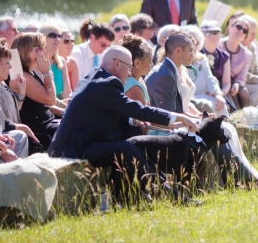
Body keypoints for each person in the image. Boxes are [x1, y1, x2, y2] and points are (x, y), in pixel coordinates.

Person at [48, 46, 200, 203]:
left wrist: (133, 121)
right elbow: (138, 109)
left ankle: (124, 197)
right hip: (74, 149)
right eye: (129, 67)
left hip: (80, 142)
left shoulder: (96, 77)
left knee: (132, 137)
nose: (129, 72)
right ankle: (166, 192)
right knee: (125, 148)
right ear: (117, 64)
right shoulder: (106, 84)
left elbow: (102, 114)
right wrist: (179, 118)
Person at [146, 33, 258, 186]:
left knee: (223, 126)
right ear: (178, 51)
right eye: (190, 51)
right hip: (165, 131)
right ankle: (244, 180)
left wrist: (200, 117)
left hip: (175, 124)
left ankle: (240, 176)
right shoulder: (164, 75)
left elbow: (178, 109)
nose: (193, 55)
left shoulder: (170, 69)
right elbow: (168, 117)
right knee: (216, 130)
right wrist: (201, 122)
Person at [0, 38, 41, 153]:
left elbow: (16, 108)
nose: (10, 67)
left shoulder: (0, 82)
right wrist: (23, 128)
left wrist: (21, 92)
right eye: (7, 63)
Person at [10, 33, 62, 148]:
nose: (43, 52)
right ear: (25, 50)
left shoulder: (31, 70)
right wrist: (47, 72)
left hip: (47, 122)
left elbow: (39, 103)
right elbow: (50, 99)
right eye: (39, 49)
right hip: (39, 129)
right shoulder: (21, 75)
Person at [182, 25, 226, 115]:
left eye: (196, 43)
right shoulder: (179, 59)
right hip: (185, 98)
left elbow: (210, 79)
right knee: (207, 106)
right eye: (190, 42)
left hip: (201, 96)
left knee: (220, 105)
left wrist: (218, 94)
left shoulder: (201, 59)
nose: (193, 46)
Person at [68, 19, 115, 89]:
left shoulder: (105, 55)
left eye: (108, 46)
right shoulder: (77, 54)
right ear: (92, 37)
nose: (105, 48)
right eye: (103, 45)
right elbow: (76, 87)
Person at [219, 17, 253, 109]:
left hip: (234, 85)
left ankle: (248, 116)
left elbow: (242, 76)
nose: (241, 31)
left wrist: (237, 84)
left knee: (242, 91)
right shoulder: (218, 45)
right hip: (218, 81)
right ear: (230, 28)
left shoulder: (247, 55)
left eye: (245, 31)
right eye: (238, 27)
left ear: (244, 37)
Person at [237, 15, 258, 108]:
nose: (254, 38)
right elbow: (241, 74)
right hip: (240, 84)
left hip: (252, 83)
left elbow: (257, 66)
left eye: (255, 34)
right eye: (252, 34)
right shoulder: (236, 47)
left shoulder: (251, 47)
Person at [199, 20, 232, 101]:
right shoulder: (197, 54)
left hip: (219, 93)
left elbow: (227, 83)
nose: (212, 36)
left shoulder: (224, 56)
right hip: (199, 93)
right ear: (201, 35)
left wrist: (219, 94)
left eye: (216, 32)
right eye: (207, 32)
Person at [38, 24, 72, 100]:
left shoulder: (61, 61)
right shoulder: (36, 62)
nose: (57, 39)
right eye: (53, 35)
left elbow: (67, 93)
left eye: (59, 36)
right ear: (43, 37)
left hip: (60, 106)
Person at [120, 35, 153, 106]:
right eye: (150, 61)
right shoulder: (134, 87)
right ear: (137, 63)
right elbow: (144, 116)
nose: (152, 65)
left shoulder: (139, 80)